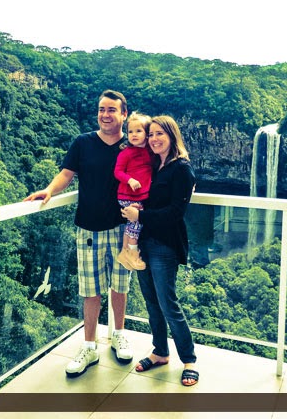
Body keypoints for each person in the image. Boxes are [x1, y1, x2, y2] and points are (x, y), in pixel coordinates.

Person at [24, 90, 133, 377]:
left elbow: (155, 167)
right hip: (88, 228)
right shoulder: (83, 143)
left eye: (112, 110)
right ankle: (89, 346)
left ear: (124, 114)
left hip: (123, 228)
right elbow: (66, 173)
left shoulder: (132, 145)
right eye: (101, 109)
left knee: (120, 284)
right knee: (90, 289)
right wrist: (48, 189)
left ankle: (118, 334)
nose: (105, 114)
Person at [121, 115, 199, 387]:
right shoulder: (154, 164)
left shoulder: (182, 169)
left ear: (172, 135)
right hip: (143, 242)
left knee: (168, 303)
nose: (153, 139)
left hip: (164, 245)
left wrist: (138, 217)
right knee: (151, 302)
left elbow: (176, 212)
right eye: (150, 134)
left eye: (159, 134)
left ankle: (189, 360)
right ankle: (160, 352)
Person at [114, 112, 153, 271]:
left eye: (138, 131)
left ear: (146, 134)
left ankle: (125, 251)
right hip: (127, 195)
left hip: (139, 195)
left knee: (132, 223)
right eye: (130, 132)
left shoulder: (150, 152)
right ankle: (133, 254)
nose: (134, 135)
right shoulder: (126, 153)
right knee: (136, 221)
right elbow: (117, 172)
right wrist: (130, 180)